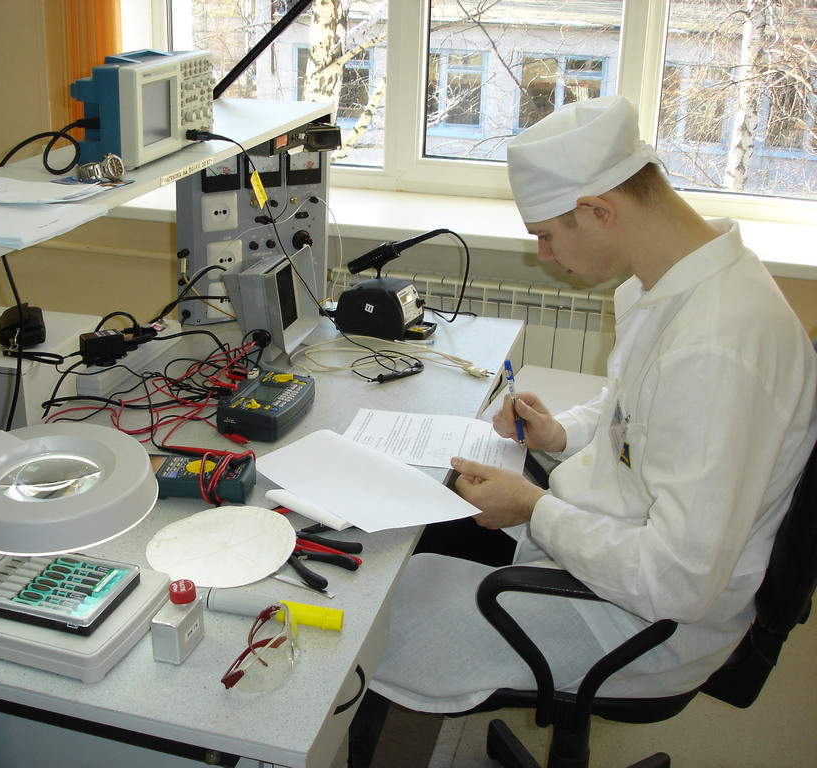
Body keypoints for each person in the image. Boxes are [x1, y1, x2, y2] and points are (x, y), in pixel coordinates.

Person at [349, 94, 817, 765]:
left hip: (642, 621)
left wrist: (534, 508)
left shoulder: (719, 346)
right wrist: (561, 434)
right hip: (614, 538)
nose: (543, 255)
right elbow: (634, 404)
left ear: (600, 210)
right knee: (420, 520)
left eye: (547, 235)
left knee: (365, 631)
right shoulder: (682, 278)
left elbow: (676, 582)